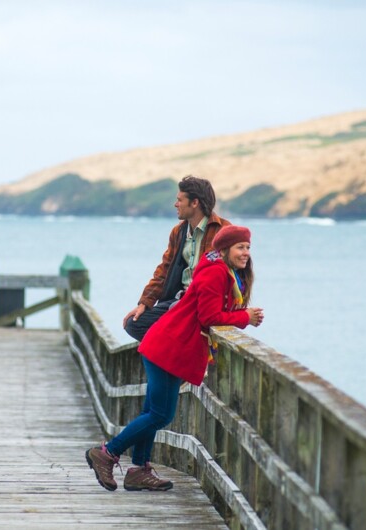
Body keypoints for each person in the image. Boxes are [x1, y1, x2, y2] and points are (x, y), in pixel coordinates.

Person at [87, 225, 264, 491]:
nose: (246, 253)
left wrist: (243, 316)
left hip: (171, 347)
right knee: (160, 415)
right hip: (167, 347)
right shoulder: (216, 274)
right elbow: (209, 317)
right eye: (240, 247)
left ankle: (138, 470)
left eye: (248, 248)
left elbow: (210, 313)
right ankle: (107, 453)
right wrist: (245, 318)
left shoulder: (222, 272)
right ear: (225, 250)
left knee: (152, 412)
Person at [123, 175, 231, 342]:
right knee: (134, 324)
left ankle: (181, 349)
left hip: (204, 304)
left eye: (180, 200)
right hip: (180, 301)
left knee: (172, 331)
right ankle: (180, 348)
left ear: (194, 203)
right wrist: (144, 303)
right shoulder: (178, 232)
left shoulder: (223, 230)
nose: (176, 204)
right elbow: (164, 270)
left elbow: (236, 273)